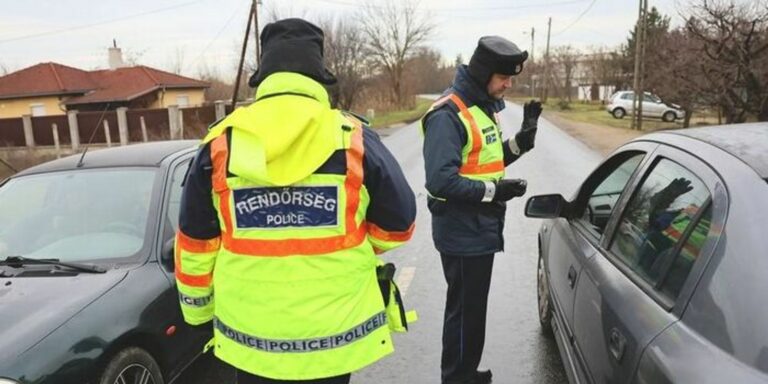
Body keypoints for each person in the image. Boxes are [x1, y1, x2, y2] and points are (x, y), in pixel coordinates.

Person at [175, 18, 417, 384]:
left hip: (250, 340)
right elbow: (399, 227)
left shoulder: (220, 146)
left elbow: (195, 245)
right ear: (319, 78)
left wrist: (198, 317)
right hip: (334, 337)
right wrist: (348, 248)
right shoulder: (354, 140)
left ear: (264, 79)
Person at [420, 36, 542, 384]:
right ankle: (456, 377)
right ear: (485, 73)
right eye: (503, 77)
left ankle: (465, 371)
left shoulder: (481, 107)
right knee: (464, 312)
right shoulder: (449, 115)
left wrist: (523, 140)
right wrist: (495, 191)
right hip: (461, 229)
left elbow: (486, 159)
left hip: (478, 224)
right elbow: (441, 182)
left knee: (472, 309)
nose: (508, 84)